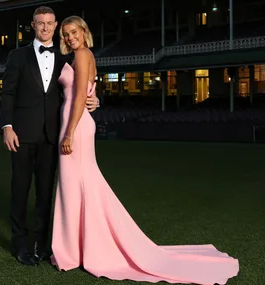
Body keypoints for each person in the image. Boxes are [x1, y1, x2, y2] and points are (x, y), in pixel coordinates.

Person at [50, 15, 239, 285]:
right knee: (83, 187)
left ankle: (76, 252)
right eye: (66, 34)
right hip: (77, 120)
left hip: (75, 126)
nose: (70, 37)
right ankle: (83, 249)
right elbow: (88, 92)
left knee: (74, 187)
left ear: (84, 31)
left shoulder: (82, 54)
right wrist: (94, 100)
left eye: (74, 32)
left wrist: (69, 131)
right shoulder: (85, 55)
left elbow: (80, 95)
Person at [0, 7, 99, 267]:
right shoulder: (17, 56)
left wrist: (95, 98)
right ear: (33, 25)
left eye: (50, 23)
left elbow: (81, 87)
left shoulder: (67, 56)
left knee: (45, 193)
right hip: (21, 133)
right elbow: (8, 94)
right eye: (40, 23)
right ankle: (20, 246)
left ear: (56, 27)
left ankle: (41, 245)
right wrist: (7, 126)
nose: (45, 28)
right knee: (20, 190)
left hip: (53, 135)